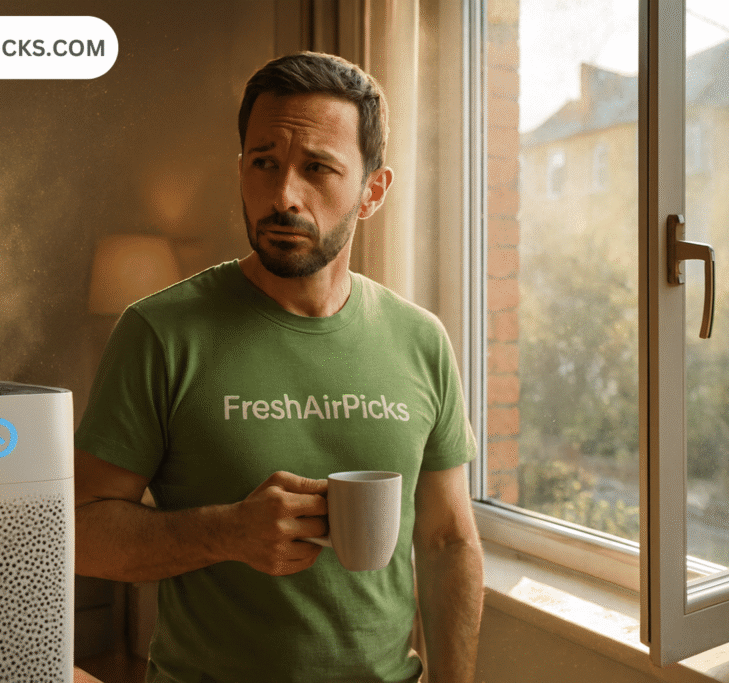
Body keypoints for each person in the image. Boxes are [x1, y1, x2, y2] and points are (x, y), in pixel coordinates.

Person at [74, 51, 483, 683]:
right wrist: (226, 533)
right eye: (264, 163)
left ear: (372, 191)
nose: (283, 195)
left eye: (318, 169)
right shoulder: (159, 332)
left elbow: (446, 541)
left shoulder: (421, 340)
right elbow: (81, 532)